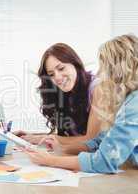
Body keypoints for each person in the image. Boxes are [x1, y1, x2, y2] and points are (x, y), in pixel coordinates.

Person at [22, 34, 138, 173]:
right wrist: (61, 148)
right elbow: (101, 141)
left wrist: (49, 160)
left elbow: (104, 162)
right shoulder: (127, 99)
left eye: (105, 67)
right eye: (51, 73)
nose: (100, 73)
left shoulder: (133, 103)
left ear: (122, 69)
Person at [14, 43, 104, 151]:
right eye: (51, 74)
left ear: (75, 64)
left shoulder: (98, 88)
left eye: (61, 68)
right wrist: (31, 137)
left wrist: (43, 138)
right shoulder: (66, 92)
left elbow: (91, 139)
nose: (57, 77)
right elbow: (72, 136)